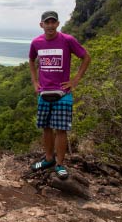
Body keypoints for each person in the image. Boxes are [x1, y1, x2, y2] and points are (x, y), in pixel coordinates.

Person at [29, 10, 91, 179]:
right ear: (41, 25)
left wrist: (75, 80)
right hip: (44, 93)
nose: (50, 25)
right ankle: (49, 159)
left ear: (57, 24)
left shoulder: (67, 40)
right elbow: (31, 60)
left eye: (53, 22)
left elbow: (86, 57)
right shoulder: (36, 43)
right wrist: (35, 82)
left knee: (61, 129)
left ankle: (60, 164)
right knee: (46, 128)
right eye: (46, 22)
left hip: (63, 93)